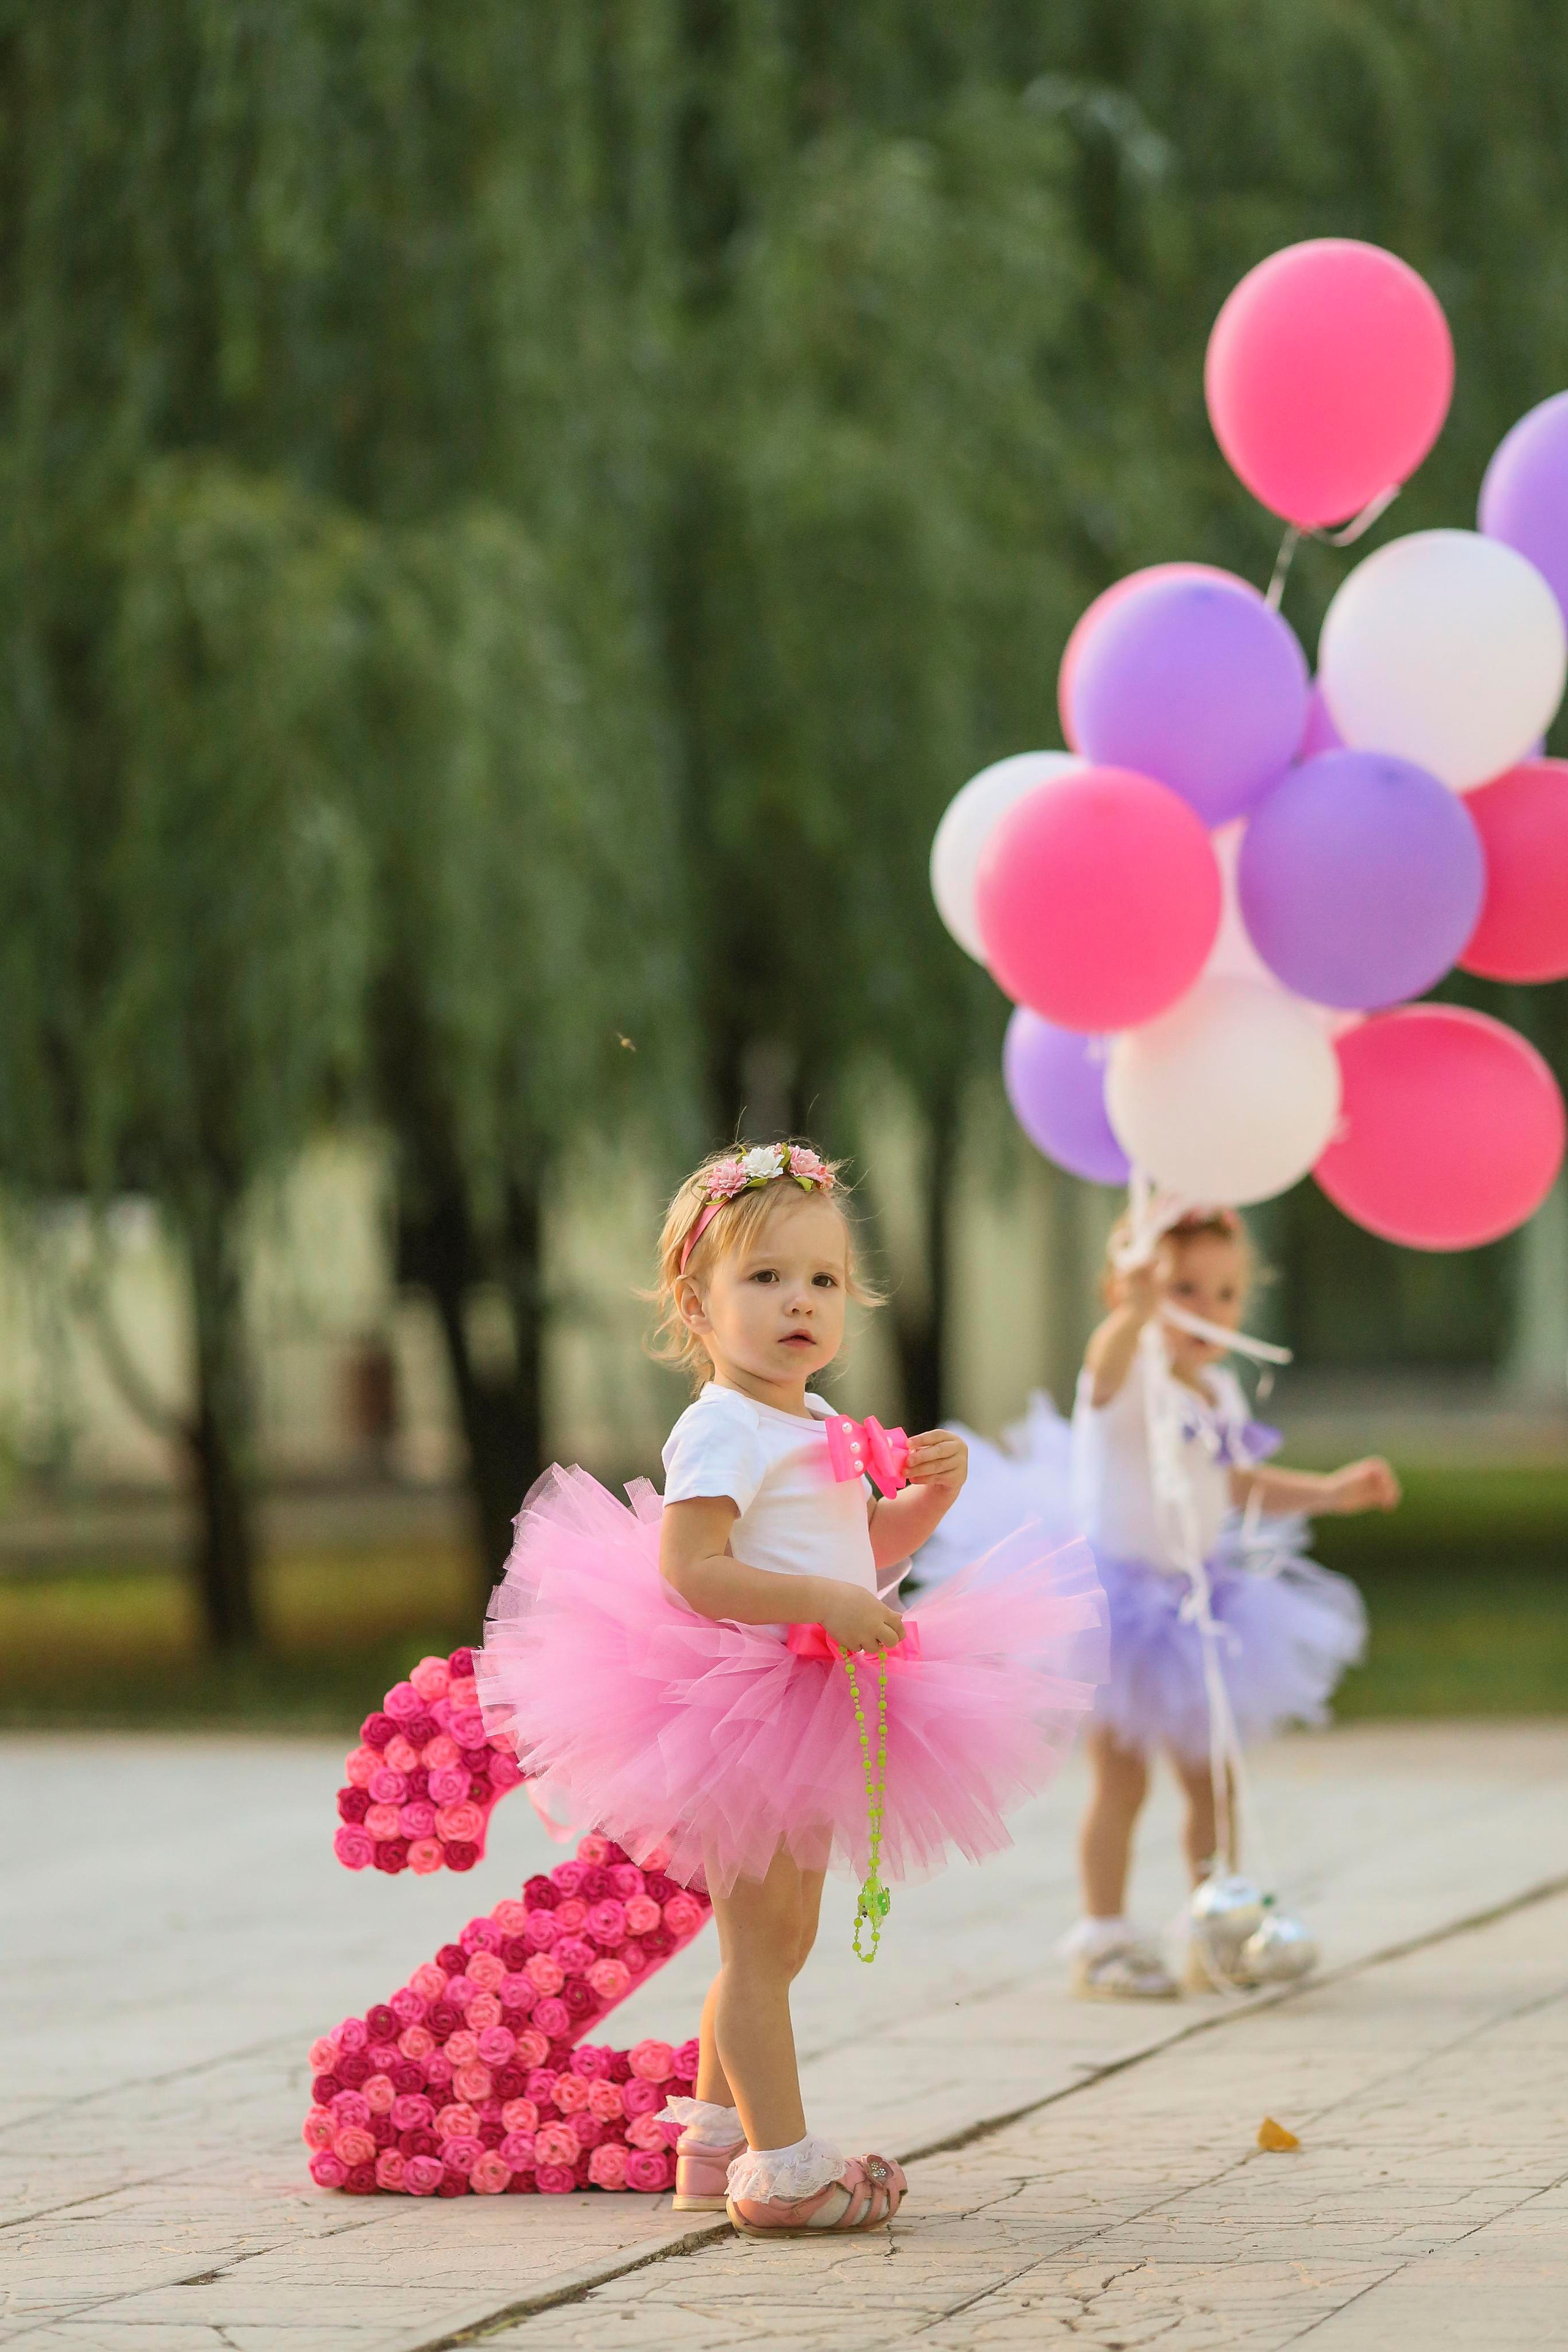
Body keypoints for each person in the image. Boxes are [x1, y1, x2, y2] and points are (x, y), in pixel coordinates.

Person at [477, 1140, 1105, 2236]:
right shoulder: (721, 1423)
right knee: (759, 1949)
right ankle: (782, 2167)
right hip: (741, 1698)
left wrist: (923, 1506)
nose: (799, 1303)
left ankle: (712, 2142)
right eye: (764, 1279)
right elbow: (694, 1569)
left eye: (822, 1280)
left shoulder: (814, 1424)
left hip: (810, 1694)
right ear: (698, 1300)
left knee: (782, 1941)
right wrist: (822, 1600)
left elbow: (860, 1550)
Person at [916, 1205, 1397, 2002]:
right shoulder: (1125, 1375)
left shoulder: (1217, 1386)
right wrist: (1134, 1315)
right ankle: (1103, 1938)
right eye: (1186, 1290)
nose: (1208, 1310)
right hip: (1121, 1611)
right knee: (1122, 1781)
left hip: (1200, 1600)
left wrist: (1331, 1491)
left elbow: (1237, 1482)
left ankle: (1219, 1925)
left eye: (1226, 1292)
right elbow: (1103, 1367)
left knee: (1217, 1783)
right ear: (1129, 1290)